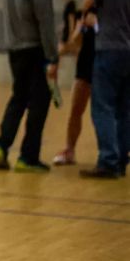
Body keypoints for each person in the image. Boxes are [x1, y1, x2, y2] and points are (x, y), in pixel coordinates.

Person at [0, 0, 58, 173]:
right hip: (35, 52)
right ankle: (27, 157)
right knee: (38, 104)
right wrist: (52, 57)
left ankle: (1, 146)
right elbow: (46, 27)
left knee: (18, 98)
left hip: (14, 51)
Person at [80, 0, 130, 179]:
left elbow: (86, 5)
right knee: (125, 109)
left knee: (103, 107)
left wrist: (92, 19)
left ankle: (108, 160)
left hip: (110, 49)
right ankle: (121, 160)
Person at [52, 8, 96, 166]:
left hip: (105, 69)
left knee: (105, 114)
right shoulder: (85, 13)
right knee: (76, 111)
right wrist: (81, 27)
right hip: (84, 70)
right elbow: (75, 41)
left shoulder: (114, 13)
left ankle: (111, 153)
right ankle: (69, 151)